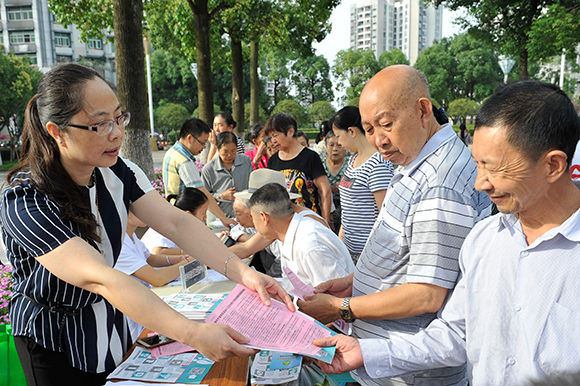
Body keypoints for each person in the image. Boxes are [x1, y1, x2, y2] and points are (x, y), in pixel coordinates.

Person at [0, 63, 293, 385]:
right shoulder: (25, 198)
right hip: (53, 338)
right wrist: (193, 333)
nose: (116, 133)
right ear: (57, 132)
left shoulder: (115, 170)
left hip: (111, 321)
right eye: (99, 125)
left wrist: (246, 274)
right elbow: (101, 279)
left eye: (118, 118)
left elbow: (176, 223)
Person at [313, 80, 580, 386]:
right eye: (478, 164)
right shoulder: (486, 241)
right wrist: (368, 352)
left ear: (553, 166)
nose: (481, 183)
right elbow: (455, 334)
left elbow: (427, 294)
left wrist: (343, 309)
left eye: (494, 169)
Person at [298, 65, 491, 386]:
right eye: (369, 129)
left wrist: (340, 307)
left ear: (422, 110)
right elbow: (406, 255)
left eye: (386, 124)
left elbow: (426, 294)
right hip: (388, 361)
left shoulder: (438, 184)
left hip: (410, 371)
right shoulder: (414, 157)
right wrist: (353, 281)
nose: (378, 140)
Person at [248, 183, 355, 287]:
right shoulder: (290, 234)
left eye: (252, 216)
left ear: (263, 217)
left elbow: (336, 297)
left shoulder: (309, 244)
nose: (253, 223)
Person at [114, 211, 193, 341]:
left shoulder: (131, 235)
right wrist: (188, 262)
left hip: (144, 301)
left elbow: (149, 258)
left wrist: (178, 259)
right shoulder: (118, 243)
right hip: (132, 312)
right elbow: (157, 278)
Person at [331, 106, 393, 262]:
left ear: (352, 132)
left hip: (369, 254)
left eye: (339, 136)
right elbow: (348, 209)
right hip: (350, 251)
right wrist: (341, 242)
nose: (338, 143)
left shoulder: (378, 164)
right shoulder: (354, 159)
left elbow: (386, 216)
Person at [162, 118, 236, 227]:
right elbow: (201, 192)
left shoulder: (172, 152)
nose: (204, 147)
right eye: (202, 142)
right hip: (184, 217)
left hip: (173, 212)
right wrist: (224, 219)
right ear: (190, 138)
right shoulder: (184, 161)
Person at [265, 113, 332, 226]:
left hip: (309, 222)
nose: (273, 141)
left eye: (275, 135)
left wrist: (325, 223)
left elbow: (325, 191)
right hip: (282, 224)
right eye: (271, 137)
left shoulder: (310, 157)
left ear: (290, 132)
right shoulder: (273, 160)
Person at [142, 187, 208, 255]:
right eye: (203, 212)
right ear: (188, 214)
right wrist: (192, 251)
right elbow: (157, 252)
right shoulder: (168, 224)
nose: (205, 217)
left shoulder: (183, 224)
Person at [201, 131, 253, 218]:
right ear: (218, 149)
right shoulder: (209, 169)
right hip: (218, 219)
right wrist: (221, 196)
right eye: (225, 152)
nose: (229, 155)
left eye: (233, 151)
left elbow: (252, 188)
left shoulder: (246, 162)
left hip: (244, 217)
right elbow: (203, 197)